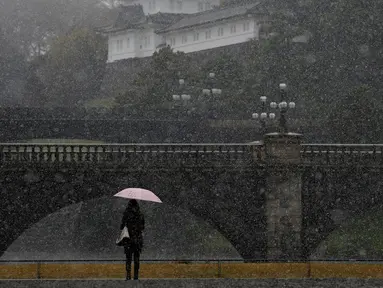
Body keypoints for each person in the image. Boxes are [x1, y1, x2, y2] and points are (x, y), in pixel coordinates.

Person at [120, 199, 145, 280]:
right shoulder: (140, 214)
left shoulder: (126, 213)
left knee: (128, 258)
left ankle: (128, 276)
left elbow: (122, 226)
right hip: (137, 239)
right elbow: (143, 227)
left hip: (128, 239)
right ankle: (136, 276)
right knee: (137, 258)